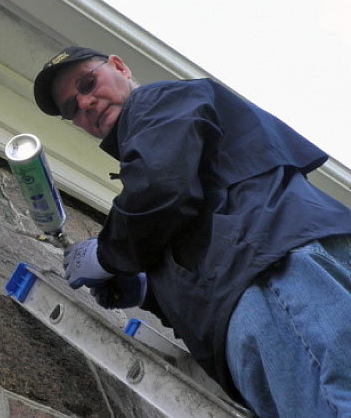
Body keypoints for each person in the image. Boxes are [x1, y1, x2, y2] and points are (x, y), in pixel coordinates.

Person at [33, 46, 351, 418]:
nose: (85, 103)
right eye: (71, 107)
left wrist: (105, 255)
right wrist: (150, 290)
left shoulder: (157, 102)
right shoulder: (167, 149)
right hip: (254, 297)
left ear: (119, 66)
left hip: (273, 273)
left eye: (88, 83)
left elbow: (162, 186)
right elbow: (191, 215)